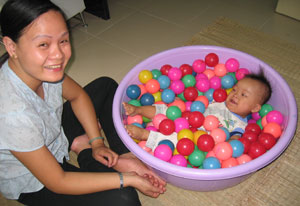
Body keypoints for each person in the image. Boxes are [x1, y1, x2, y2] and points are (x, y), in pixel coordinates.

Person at [0, 0, 166, 205]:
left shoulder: (41, 68)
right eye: (43, 44)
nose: (58, 55)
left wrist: (97, 142)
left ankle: (115, 153)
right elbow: (58, 181)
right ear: (11, 46)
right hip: (35, 179)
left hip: (51, 132)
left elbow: (78, 96)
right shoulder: (11, 113)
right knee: (123, 198)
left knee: (105, 87)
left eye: (63, 41)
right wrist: (126, 179)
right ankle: (85, 153)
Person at [123, 73, 272, 150]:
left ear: (255, 108)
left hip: (197, 139)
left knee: (179, 142)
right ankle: (139, 109)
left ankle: (145, 135)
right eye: (234, 89)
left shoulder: (241, 125)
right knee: (170, 110)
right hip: (187, 118)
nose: (235, 95)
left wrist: (230, 143)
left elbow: (234, 142)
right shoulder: (219, 100)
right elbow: (197, 104)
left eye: (243, 95)